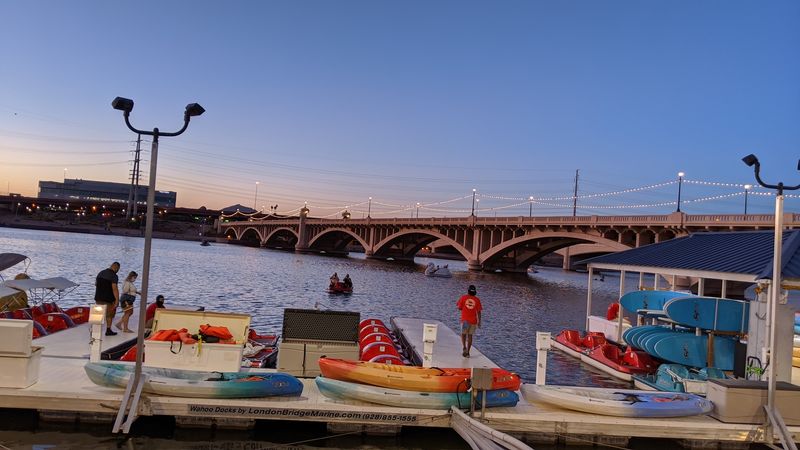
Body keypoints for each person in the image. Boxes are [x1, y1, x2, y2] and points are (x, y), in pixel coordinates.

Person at [456, 284, 482, 358]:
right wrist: (479, 322)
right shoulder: (477, 300)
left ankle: (464, 347)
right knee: (470, 336)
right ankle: (468, 351)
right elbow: (479, 312)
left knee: (463, 334)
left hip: (465, 320)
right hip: (473, 321)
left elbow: (459, 307)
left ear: (468, 291)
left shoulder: (463, 297)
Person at [94, 262, 120, 336]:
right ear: (116, 268)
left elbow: (96, 284)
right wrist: (117, 300)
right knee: (109, 315)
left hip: (98, 298)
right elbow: (114, 288)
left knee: (98, 315)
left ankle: (95, 332)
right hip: (108, 299)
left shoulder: (100, 273)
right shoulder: (114, 276)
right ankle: (108, 330)